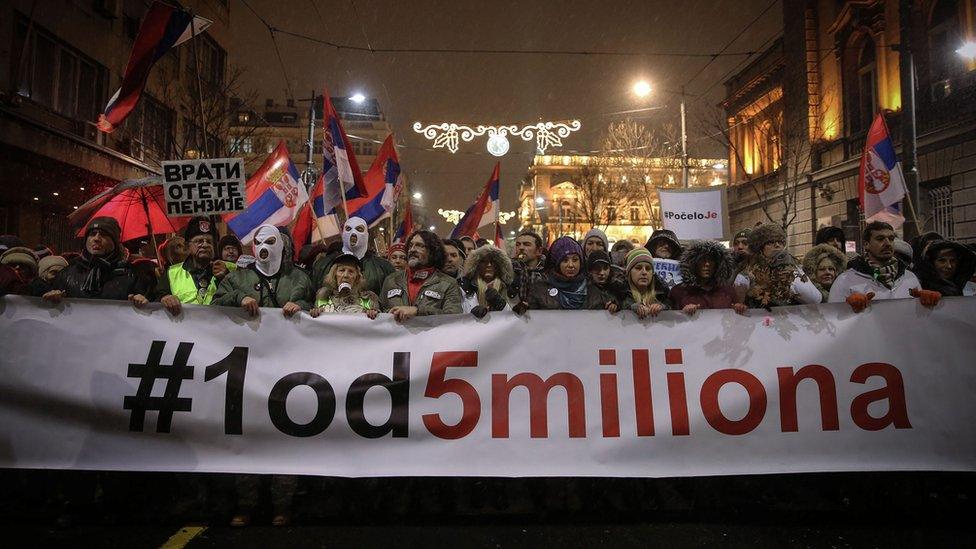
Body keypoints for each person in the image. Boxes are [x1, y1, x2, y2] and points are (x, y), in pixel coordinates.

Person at [43, 217, 153, 306]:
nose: (96, 238)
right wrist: (53, 296)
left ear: (114, 242)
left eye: (104, 234)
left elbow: (150, 309)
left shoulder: (133, 275)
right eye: (92, 234)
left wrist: (142, 301)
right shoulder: (67, 273)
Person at [829, 221, 936, 311]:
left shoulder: (910, 277)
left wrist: (926, 301)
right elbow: (833, 318)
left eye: (891, 239)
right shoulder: (845, 280)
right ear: (866, 245)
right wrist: (847, 307)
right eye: (880, 239)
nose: (887, 243)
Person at [213, 225, 313, 317]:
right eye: (258, 242)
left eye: (270, 242)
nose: (263, 247)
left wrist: (300, 305)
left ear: (280, 245)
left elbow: (315, 307)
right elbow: (213, 307)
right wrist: (238, 297)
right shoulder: (236, 278)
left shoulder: (300, 278)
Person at [157, 217, 236, 315]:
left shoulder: (231, 268)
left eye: (209, 241)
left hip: (221, 328)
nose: (205, 245)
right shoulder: (171, 273)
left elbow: (242, 298)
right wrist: (164, 298)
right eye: (199, 241)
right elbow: (156, 299)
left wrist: (226, 277)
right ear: (187, 246)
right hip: (185, 328)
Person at [379, 230, 462, 321]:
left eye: (420, 246)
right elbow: (381, 310)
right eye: (411, 245)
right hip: (396, 335)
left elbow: (454, 318)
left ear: (432, 252)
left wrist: (417, 311)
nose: (412, 249)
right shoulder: (391, 279)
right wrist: (375, 312)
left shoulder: (448, 283)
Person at [525, 236, 613, 311]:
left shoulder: (593, 289)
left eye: (575, 260)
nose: (571, 265)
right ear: (557, 263)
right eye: (565, 260)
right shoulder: (541, 289)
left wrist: (614, 307)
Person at [743, 223, 821, 308]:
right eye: (770, 242)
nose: (777, 245)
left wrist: (791, 279)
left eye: (780, 242)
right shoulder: (752, 272)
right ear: (761, 248)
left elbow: (815, 299)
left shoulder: (794, 268)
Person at [312, 217, 394, 296]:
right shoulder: (322, 265)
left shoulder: (383, 267)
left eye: (359, 229)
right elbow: (311, 298)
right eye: (348, 229)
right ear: (343, 233)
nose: (353, 233)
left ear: (367, 235)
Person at [668, 240, 747, 315]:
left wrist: (739, 308)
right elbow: (670, 323)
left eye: (711, 260)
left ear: (718, 264)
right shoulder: (678, 291)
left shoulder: (728, 291)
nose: (707, 264)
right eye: (702, 259)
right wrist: (683, 314)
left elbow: (736, 322)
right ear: (692, 264)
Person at [309, 253, 380, 318]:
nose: (346, 275)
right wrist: (316, 313)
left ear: (357, 277)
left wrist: (372, 313)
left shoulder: (368, 300)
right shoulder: (323, 298)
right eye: (342, 270)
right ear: (334, 275)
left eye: (351, 271)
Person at [459, 244, 513, 317]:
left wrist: (500, 304)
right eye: (484, 261)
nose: (489, 265)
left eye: (493, 261)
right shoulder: (465, 287)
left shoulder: (509, 288)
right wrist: (471, 314)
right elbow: (459, 316)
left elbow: (513, 319)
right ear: (477, 265)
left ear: (499, 265)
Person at [619, 248, 669, 319]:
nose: (644, 272)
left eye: (648, 268)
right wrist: (632, 307)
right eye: (638, 268)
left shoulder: (663, 295)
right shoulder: (619, 294)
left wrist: (663, 307)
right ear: (629, 272)